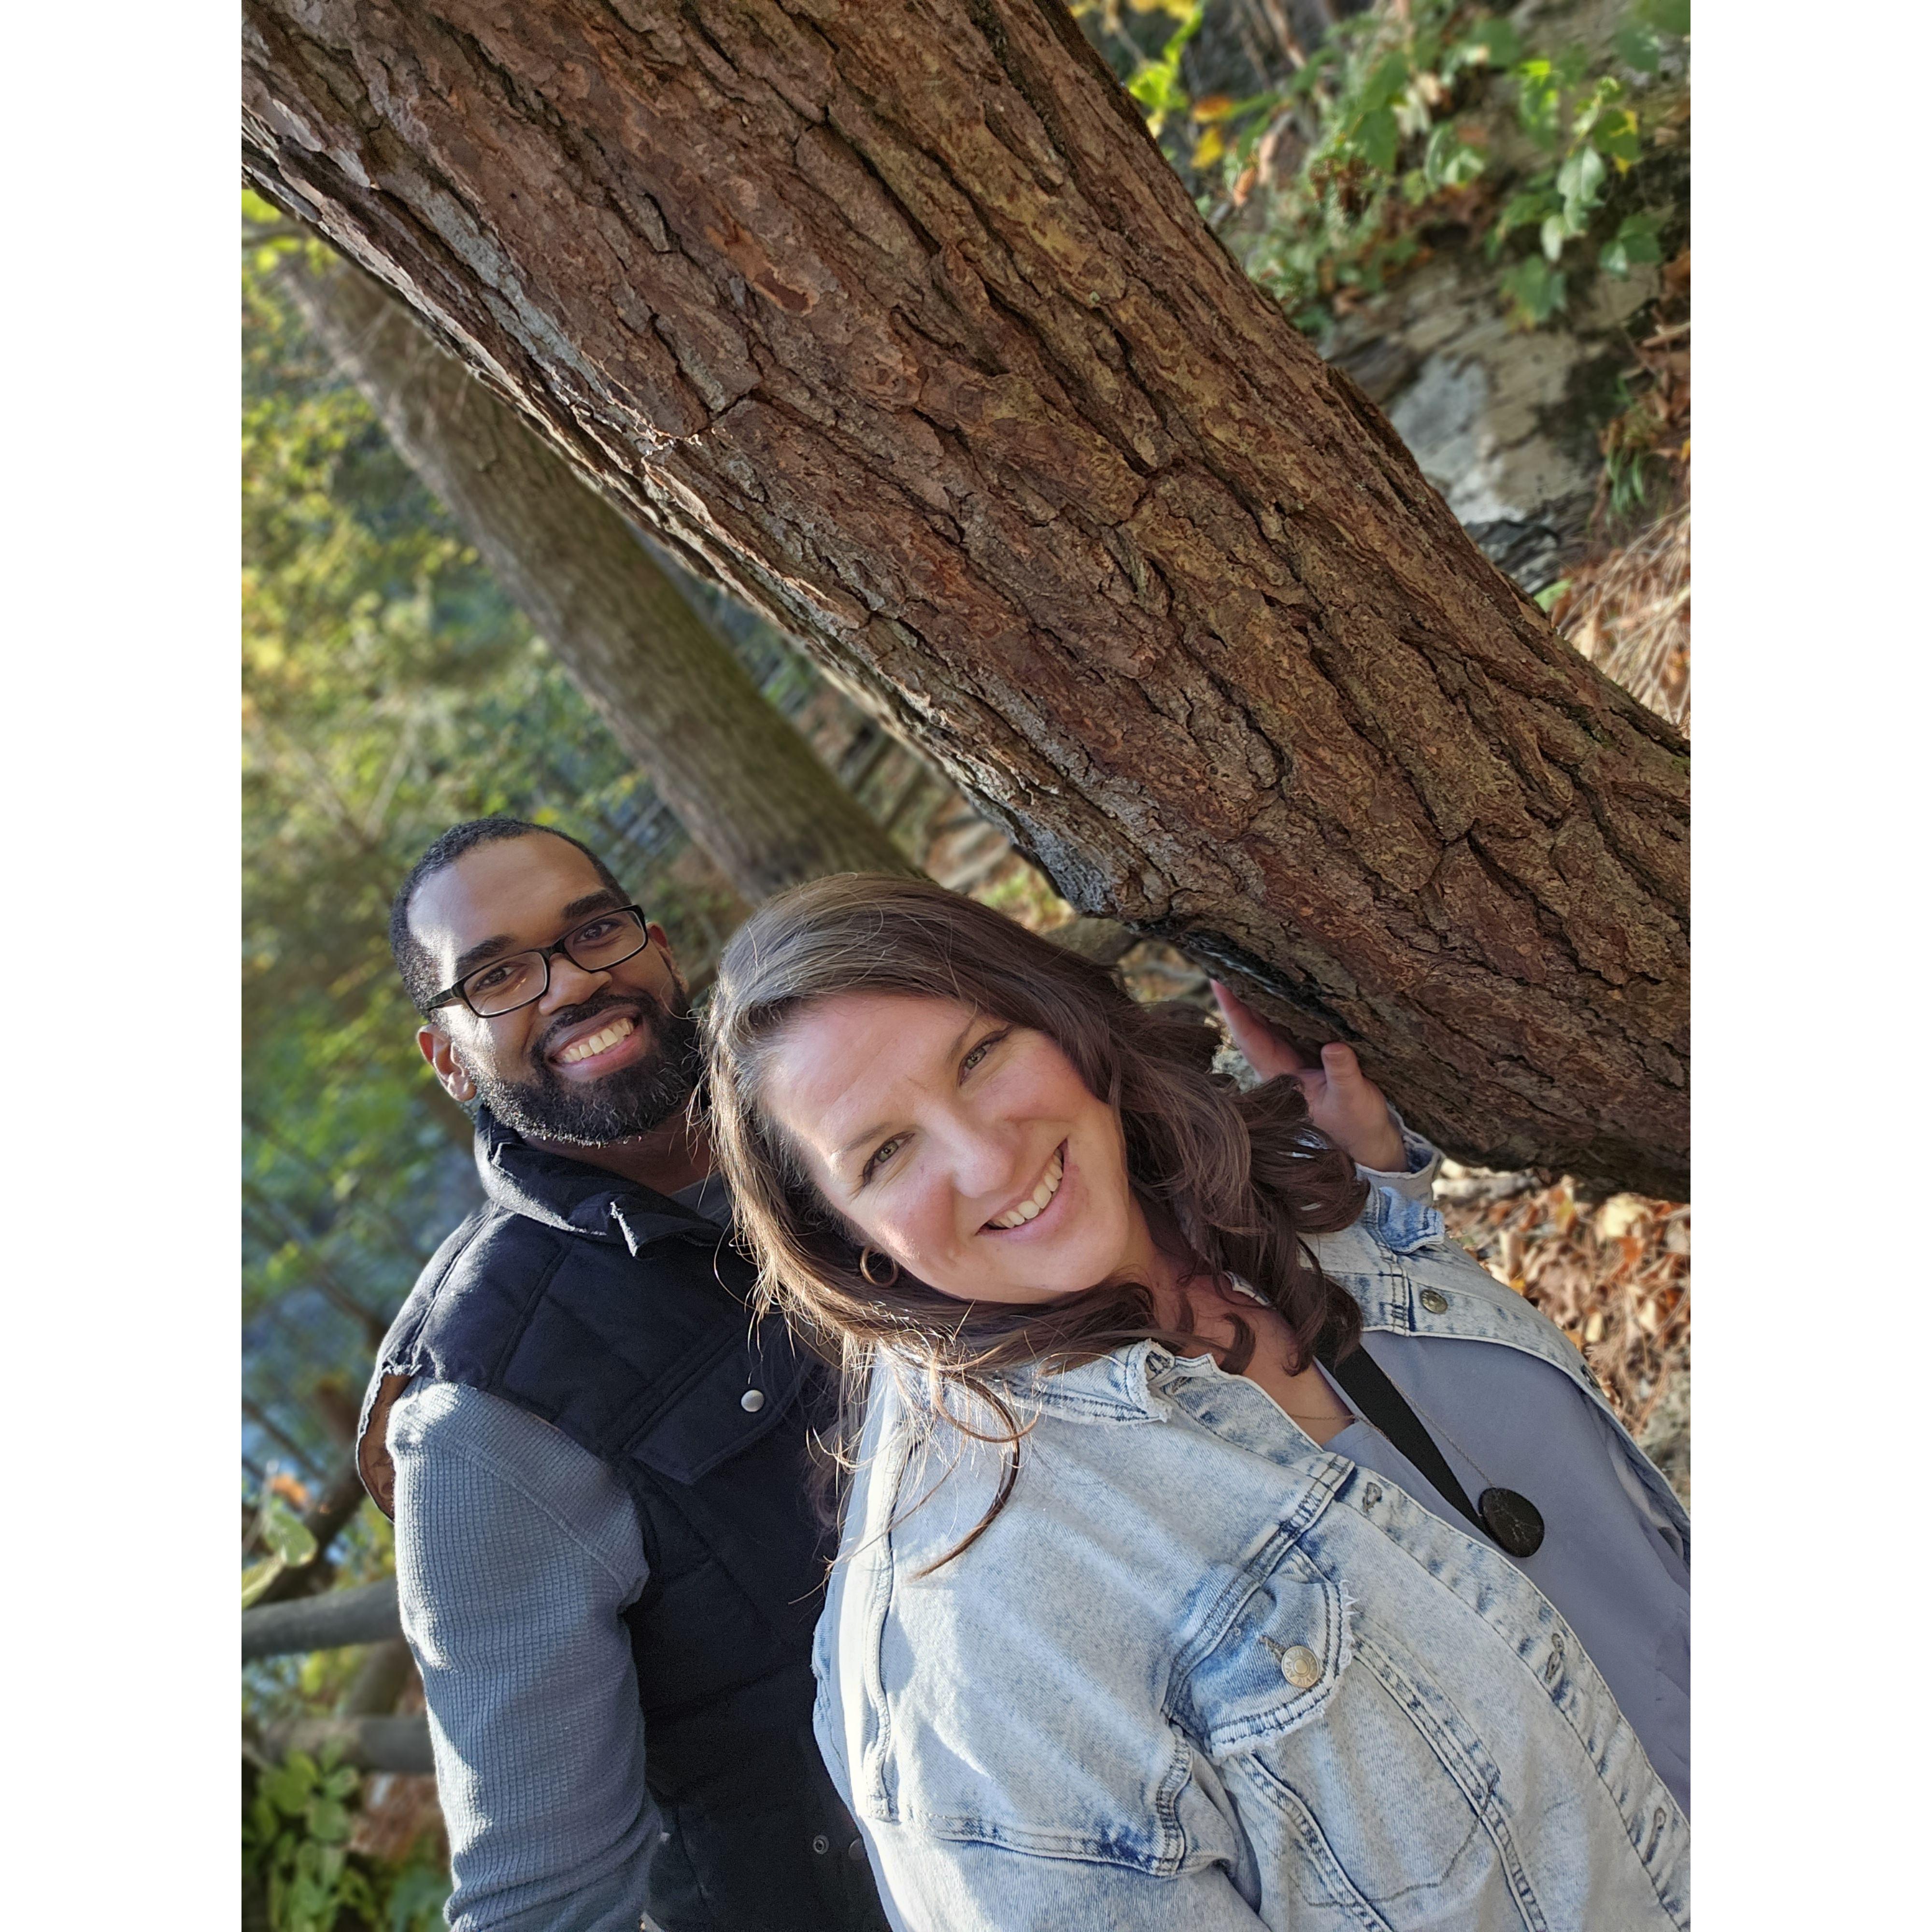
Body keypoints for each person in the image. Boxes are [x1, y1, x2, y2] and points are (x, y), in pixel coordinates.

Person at [702, 874, 1691, 1932]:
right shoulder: (969, 1664)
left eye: (981, 1054)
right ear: (844, 1238)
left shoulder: (1252, 1193)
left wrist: (1371, 1191)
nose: (987, 1158)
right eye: (887, 1152)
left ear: (1055, 1014)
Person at [354, 816, 888, 1932]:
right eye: (497, 976)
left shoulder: (843, 1111)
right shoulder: (485, 1408)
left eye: (592, 931)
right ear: (447, 1057)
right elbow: (538, 1904)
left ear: (657, 948)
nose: (570, 983)